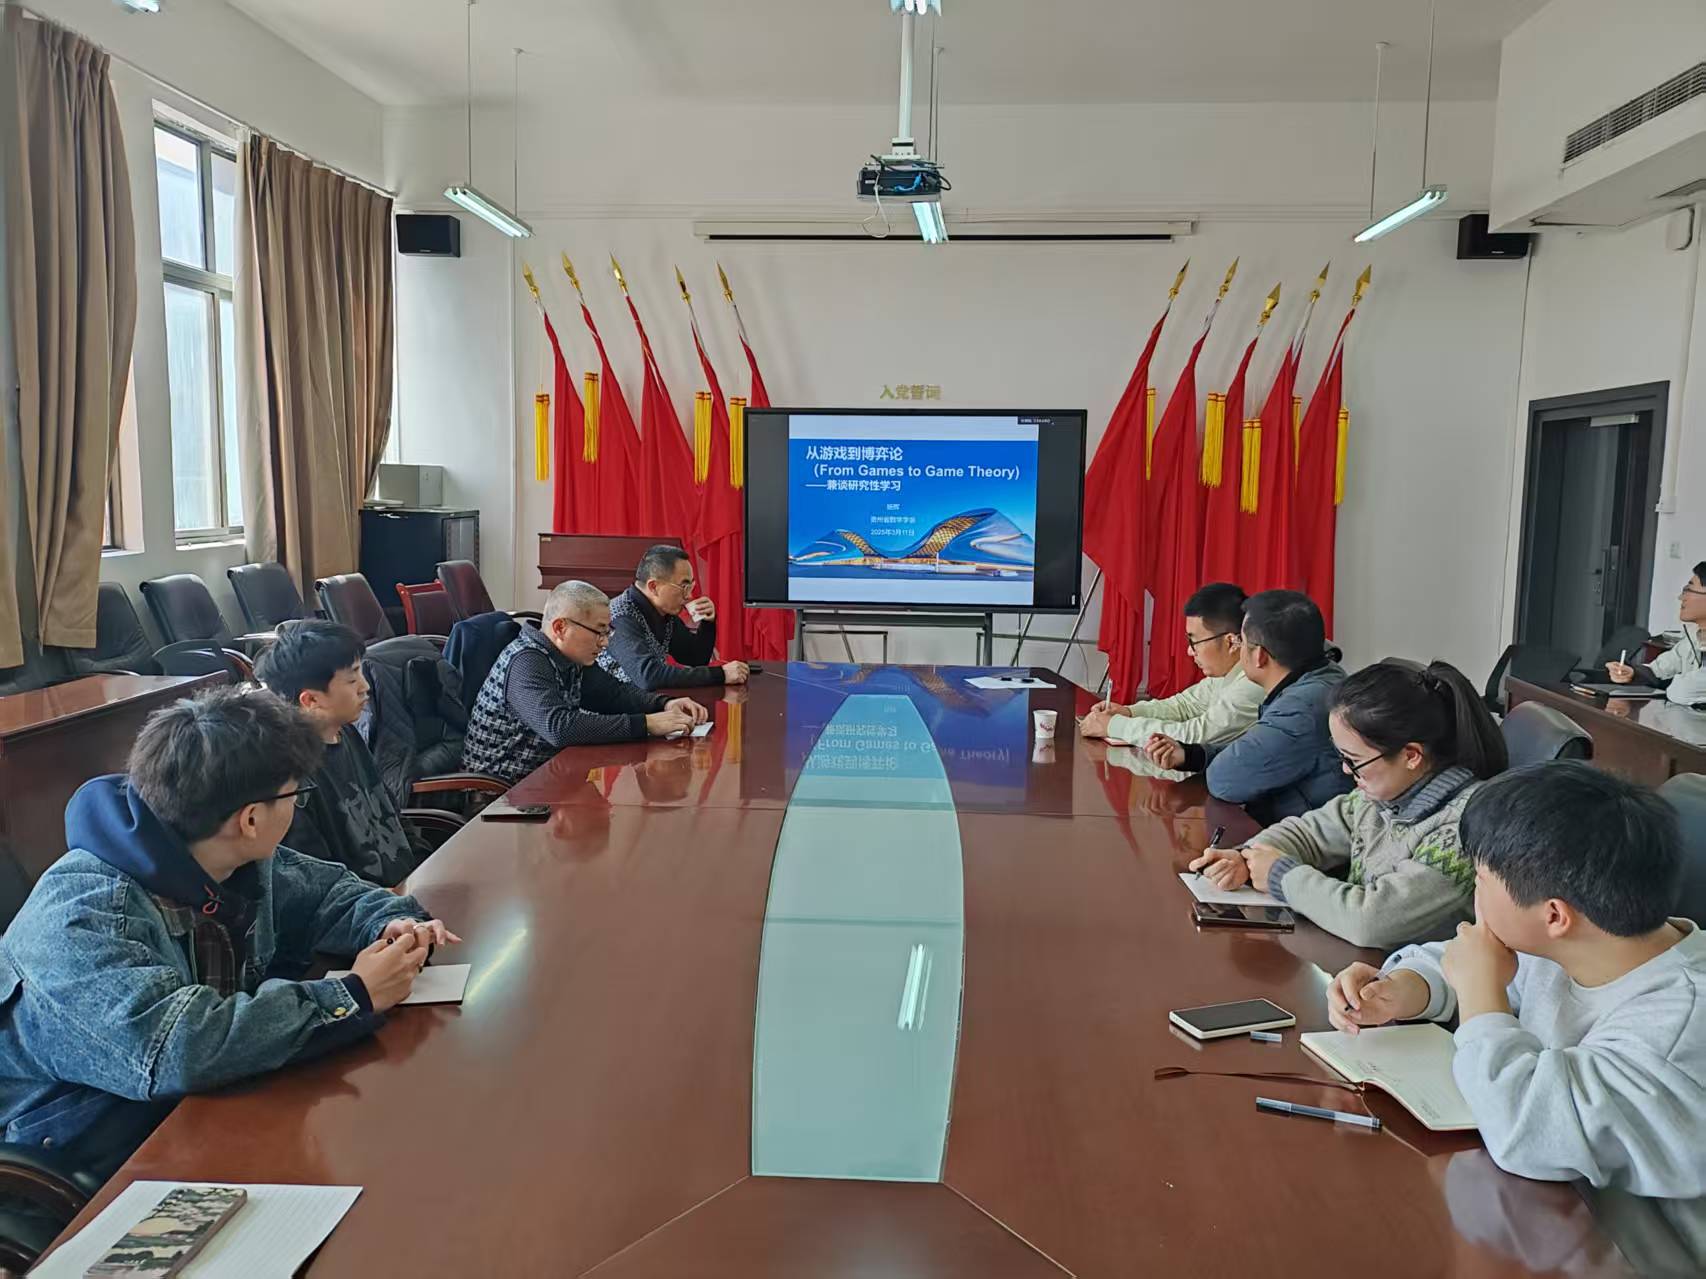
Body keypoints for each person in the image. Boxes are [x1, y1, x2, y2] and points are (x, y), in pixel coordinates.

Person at [0, 687, 458, 1181]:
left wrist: (389, 923)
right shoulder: (80, 921)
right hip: (89, 1156)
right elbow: (180, 1048)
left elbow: (326, 893)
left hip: (203, 1105)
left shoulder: (220, 852)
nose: (298, 808)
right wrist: (352, 996)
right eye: (296, 794)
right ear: (251, 819)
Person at [1326, 762, 1706, 1197]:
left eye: (1481, 879)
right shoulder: (1582, 940)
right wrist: (1404, 988)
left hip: (1625, 1231)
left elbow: (1530, 1135)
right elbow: (1473, 962)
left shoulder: (1677, 1029)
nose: (1476, 893)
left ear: (1554, 915)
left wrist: (1479, 990)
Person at [1191, 659, 1507, 949]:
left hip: (1413, 982)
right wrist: (1246, 857)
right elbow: (1308, 834)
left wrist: (1280, 875)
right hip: (1360, 968)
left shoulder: (1463, 828)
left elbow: (1372, 922)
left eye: (1354, 761)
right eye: (1341, 756)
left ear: (1411, 756)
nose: (1345, 770)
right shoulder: (1378, 796)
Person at [463, 580, 707, 785]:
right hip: (500, 795)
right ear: (560, 627)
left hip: (545, 780)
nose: (605, 642)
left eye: (607, 632)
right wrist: (647, 724)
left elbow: (613, 693)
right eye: (598, 632)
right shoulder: (527, 661)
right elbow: (559, 728)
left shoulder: (569, 656)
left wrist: (664, 704)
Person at [1145, 590, 1351, 821]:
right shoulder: (1321, 675)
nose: (1236, 649)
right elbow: (1253, 751)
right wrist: (1191, 755)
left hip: (1301, 836)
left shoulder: (1300, 709)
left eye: (1241, 642)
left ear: (1260, 656)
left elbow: (1225, 780)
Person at [254, 620, 418, 887]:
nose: (365, 687)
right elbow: (319, 879)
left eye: (360, 673)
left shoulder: (347, 732)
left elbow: (391, 815)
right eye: (352, 679)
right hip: (367, 903)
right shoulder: (290, 774)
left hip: (409, 884)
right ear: (311, 700)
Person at [1079, 582, 1261, 747]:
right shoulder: (1226, 672)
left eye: (1194, 642)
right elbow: (1184, 706)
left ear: (1230, 642)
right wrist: (1128, 712)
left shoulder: (1254, 683)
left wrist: (1115, 726)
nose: (1190, 651)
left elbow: (1196, 736)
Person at [598, 544, 749, 691]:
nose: (689, 596)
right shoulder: (619, 616)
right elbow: (648, 676)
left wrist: (707, 623)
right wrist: (720, 674)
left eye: (690, 587)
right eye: (684, 587)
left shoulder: (664, 614)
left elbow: (695, 658)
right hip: (609, 705)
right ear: (653, 587)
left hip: (644, 701)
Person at [1608, 562, 1706, 704]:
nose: (1681, 597)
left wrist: (1676, 686)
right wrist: (1632, 673)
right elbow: (1659, 669)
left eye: (1689, 590)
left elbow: (1681, 692)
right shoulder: (1694, 636)